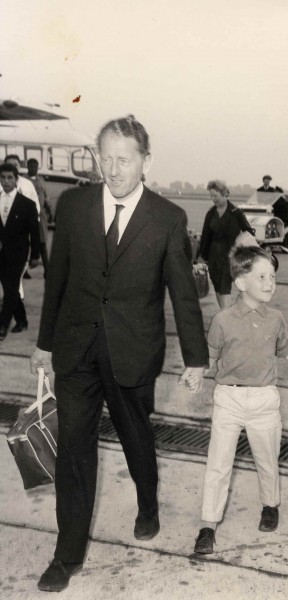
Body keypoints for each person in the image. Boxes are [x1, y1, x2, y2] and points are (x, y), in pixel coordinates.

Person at [30, 115, 209, 592]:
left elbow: (182, 294)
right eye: (105, 158)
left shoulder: (169, 218)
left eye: (124, 160)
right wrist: (44, 344)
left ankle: (147, 503)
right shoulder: (72, 206)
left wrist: (196, 358)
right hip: (75, 349)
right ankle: (66, 556)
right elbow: (58, 280)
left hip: (132, 351)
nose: (113, 169)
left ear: (145, 161)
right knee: (72, 448)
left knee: (135, 438)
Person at [192, 246, 288, 555]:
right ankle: (208, 525)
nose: (269, 283)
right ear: (240, 283)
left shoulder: (276, 318)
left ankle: (270, 505)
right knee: (218, 464)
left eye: (273, 277)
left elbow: (285, 349)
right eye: (262, 277)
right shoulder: (222, 320)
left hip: (265, 399)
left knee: (267, 459)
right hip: (229, 398)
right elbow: (210, 356)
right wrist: (196, 373)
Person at [198, 180, 254, 309]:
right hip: (213, 255)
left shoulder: (236, 213)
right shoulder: (210, 213)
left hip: (230, 255)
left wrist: (241, 246)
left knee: (225, 285)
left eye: (215, 196)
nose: (213, 199)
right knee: (217, 284)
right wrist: (201, 256)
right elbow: (205, 235)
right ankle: (224, 314)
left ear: (224, 194)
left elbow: (248, 231)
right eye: (211, 196)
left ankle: (225, 316)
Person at [0, 163, 40, 340]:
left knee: (10, 289)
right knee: (10, 289)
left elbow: (35, 232)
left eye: (10, 178)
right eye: (2, 177)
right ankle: (22, 320)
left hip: (18, 254)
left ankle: (2, 325)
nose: (6, 181)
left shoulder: (27, 204)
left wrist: (35, 255)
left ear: (16, 179)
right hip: (1, 253)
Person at [25, 158, 52, 276]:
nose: (33, 168)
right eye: (31, 166)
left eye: (35, 166)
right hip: (26, 216)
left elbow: (45, 197)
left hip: (40, 215)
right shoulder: (23, 180)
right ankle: (24, 270)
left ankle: (47, 271)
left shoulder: (41, 181)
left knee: (42, 243)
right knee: (25, 243)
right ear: (27, 167)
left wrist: (50, 212)